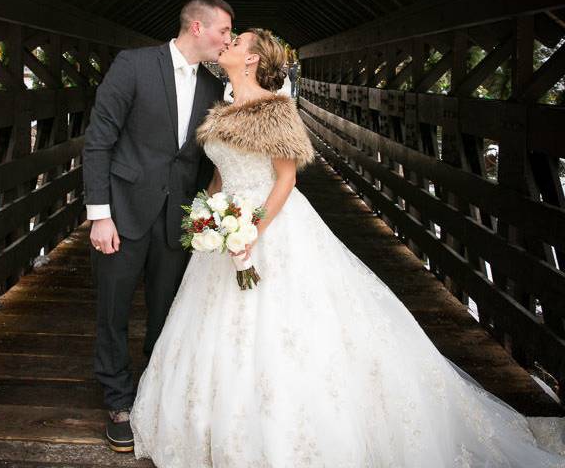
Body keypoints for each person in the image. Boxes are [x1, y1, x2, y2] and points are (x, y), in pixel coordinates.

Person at [129, 28, 565, 467]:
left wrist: (252, 231)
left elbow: (285, 180)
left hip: (271, 227)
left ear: (253, 60)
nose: (228, 44)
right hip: (223, 235)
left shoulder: (276, 110)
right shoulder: (219, 113)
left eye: (238, 41)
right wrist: (206, 216)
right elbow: (221, 175)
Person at [80, 0, 232, 453]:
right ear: (198, 28)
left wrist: (211, 213)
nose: (228, 39)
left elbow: (205, 160)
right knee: (114, 311)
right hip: (122, 215)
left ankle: (155, 393)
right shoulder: (133, 65)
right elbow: (98, 141)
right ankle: (119, 401)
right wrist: (99, 215)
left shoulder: (211, 88)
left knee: (167, 314)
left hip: (178, 221)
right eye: (225, 30)